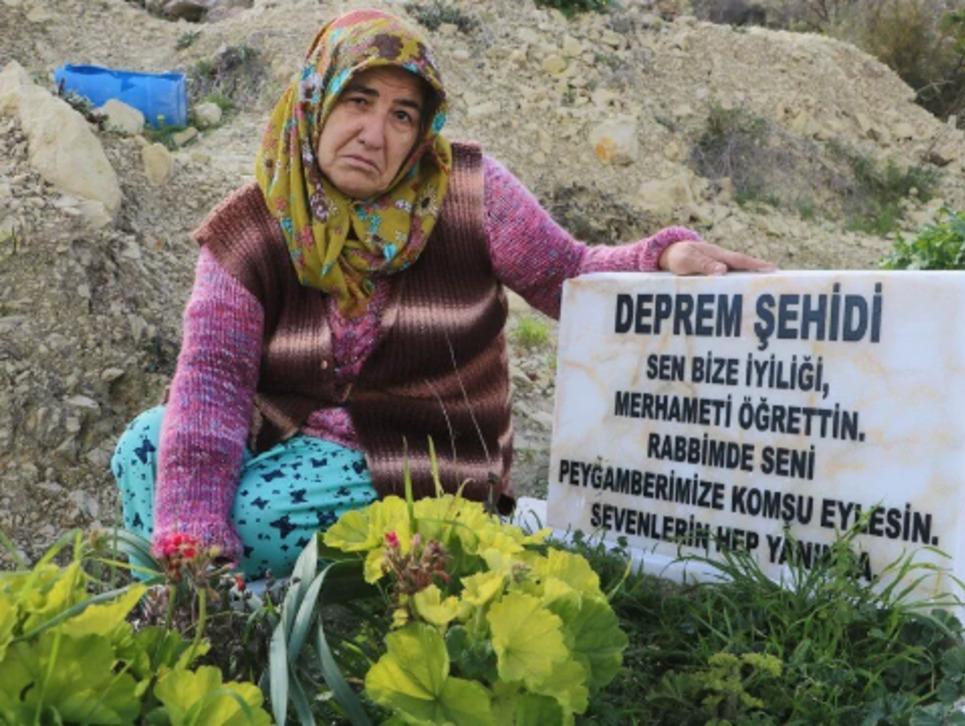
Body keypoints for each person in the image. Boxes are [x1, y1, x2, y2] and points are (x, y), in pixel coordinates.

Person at [111, 8, 775, 577]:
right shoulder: (251, 229)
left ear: (421, 130)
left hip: (421, 454)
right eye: (357, 99)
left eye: (403, 115)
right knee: (143, 445)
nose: (375, 134)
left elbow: (563, 273)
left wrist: (661, 255)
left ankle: (212, 600)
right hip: (288, 430)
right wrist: (193, 539)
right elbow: (212, 380)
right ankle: (192, 604)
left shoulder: (468, 193)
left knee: (248, 518)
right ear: (315, 99)